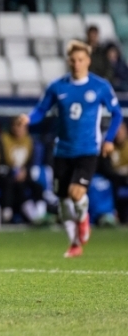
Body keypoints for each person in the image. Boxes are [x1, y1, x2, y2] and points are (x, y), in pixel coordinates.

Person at [18, 40, 123, 257]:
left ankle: (84, 220)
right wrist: (28, 119)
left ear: (88, 61)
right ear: (68, 61)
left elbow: (117, 113)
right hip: (62, 151)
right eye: (73, 60)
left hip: (87, 150)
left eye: (81, 60)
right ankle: (74, 243)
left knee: (76, 193)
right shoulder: (58, 87)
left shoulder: (100, 86)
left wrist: (109, 139)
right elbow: (41, 110)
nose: (77, 64)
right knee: (63, 202)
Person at [0, 116, 47, 225]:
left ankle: (41, 214)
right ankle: (33, 217)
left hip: (25, 174)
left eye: (21, 126)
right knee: (18, 189)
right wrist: (14, 171)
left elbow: (31, 161)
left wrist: (25, 171)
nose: (19, 129)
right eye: (16, 126)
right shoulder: (4, 141)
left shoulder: (29, 141)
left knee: (38, 187)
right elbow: (2, 160)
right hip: (9, 176)